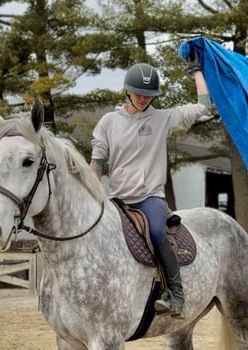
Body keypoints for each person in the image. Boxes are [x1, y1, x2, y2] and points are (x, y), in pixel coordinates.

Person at [90, 51, 211, 319]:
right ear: (127, 91)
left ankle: (176, 295)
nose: (143, 98)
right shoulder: (109, 122)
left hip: (150, 198)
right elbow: (97, 161)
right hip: (118, 200)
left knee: (156, 232)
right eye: (138, 93)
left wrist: (197, 72)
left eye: (148, 95)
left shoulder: (163, 118)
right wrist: (91, 190)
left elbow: (204, 106)